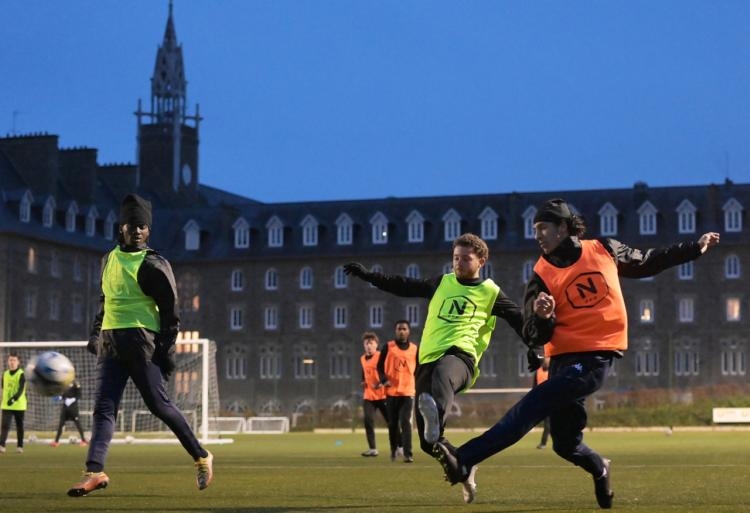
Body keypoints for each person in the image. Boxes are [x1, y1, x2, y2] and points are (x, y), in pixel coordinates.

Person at [433, 198, 721, 509]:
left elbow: (649, 260)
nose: (538, 235)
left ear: (563, 227)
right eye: (534, 229)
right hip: (563, 362)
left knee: (535, 402)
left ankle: (465, 458)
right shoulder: (541, 274)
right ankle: (601, 467)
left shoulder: (604, 249)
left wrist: (695, 247)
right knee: (566, 444)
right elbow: (532, 333)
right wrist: (543, 316)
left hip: (596, 357)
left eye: (543, 228)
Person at [345, 233, 534, 503]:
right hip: (428, 360)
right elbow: (404, 285)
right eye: (455, 258)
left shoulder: (490, 291)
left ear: (481, 260)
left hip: (461, 358)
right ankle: (464, 469)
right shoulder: (442, 283)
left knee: (444, 375)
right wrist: (369, 276)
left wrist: (535, 348)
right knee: (426, 442)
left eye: (465, 259)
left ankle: (437, 415)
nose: (458, 263)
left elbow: (518, 319)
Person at [67, 193, 214, 497]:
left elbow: (171, 312)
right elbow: (105, 300)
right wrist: (96, 334)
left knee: (158, 405)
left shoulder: (154, 264)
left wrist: (165, 350)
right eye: (132, 226)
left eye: (143, 227)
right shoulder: (107, 260)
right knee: (103, 409)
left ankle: (201, 456)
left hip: (141, 343)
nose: (137, 231)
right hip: (111, 342)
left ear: (149, 230)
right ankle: (94, 471)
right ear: (121, 227)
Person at [376, 320, 418, 463]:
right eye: (399, 329)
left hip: (408, 392)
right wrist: (383, 380)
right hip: (391, 392)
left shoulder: (414, 349)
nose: (401, 331)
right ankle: (394, 449)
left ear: (408, 331)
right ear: (395, 331)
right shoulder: (388, 347)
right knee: (393, 424)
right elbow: (380, 366)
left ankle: (408, 453)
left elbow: (418, 369)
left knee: (406, 422)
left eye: (404, 329)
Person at [359, 332, 389, 457]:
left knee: (391, 421)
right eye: (366, 343)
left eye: (371, 343)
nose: (369, 346)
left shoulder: (381, 357)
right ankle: (372, 449)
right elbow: (364, 373)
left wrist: (383, 383)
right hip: (369, 396)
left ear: (376, 345)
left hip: (383, 395)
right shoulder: (362, 358)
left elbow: (388, 372)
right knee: (368, 420)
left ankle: (400, 445)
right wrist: (363, 381)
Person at [0, 353, 27, 454]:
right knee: (5, 425)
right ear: (8, 361)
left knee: (19, 426)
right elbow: (3, 387)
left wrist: (13, 399)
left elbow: (20, 390)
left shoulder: (21, 374)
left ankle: (20, 446)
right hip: (6, 405)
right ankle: (2, 445)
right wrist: (7, 399)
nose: (12, 362)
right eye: (10, 360)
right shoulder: (5, 374)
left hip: (19, 405)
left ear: (18, 362)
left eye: (14, 360)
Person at [51, 380, 88, 447]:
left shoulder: (75, 383)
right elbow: (64, 395)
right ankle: (56, 442)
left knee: (78, 424)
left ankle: (83, 440)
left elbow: (79, 395)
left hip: (73, 409)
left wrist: (73, 399)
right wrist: (59, 398)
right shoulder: (65, 384)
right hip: (65, 409)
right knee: (61, 424)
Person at [534, 356, 550, 449]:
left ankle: (543, 443)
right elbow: (534, 386)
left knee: (550, 424)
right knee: (548, 424)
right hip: (543, 400)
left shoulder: (553, 370)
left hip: (553, 400)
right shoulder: (538, 371)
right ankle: (543, 443)